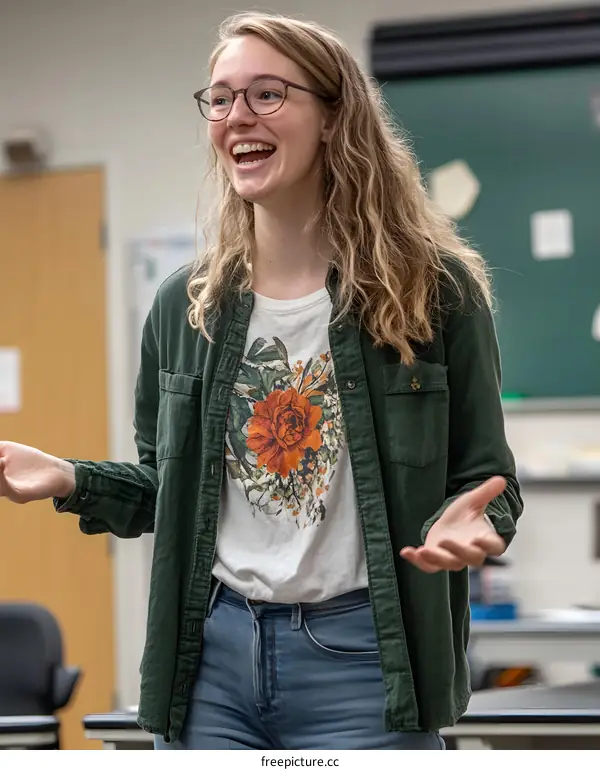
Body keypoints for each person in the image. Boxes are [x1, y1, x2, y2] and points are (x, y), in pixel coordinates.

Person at [0, 11, 524, 751]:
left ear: (334, 116)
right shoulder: (187, 306)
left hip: (365, 661)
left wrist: (479, 524)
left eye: (267, 94)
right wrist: (66, 478)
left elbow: (490, 482)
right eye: (220, 98)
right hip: (210, 661)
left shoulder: (434, 293)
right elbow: (165, 491)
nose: (236, 116)